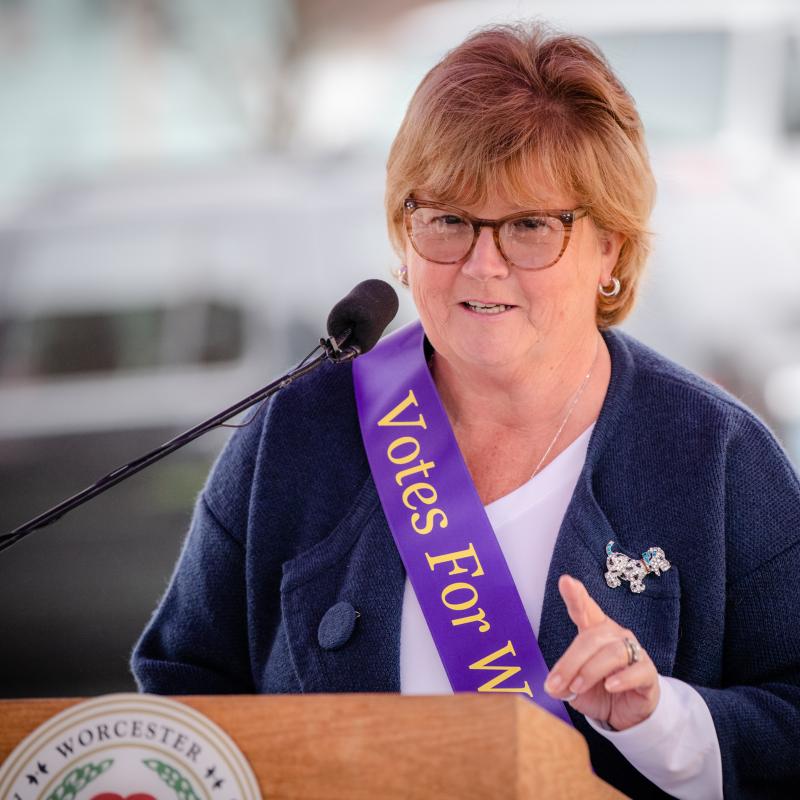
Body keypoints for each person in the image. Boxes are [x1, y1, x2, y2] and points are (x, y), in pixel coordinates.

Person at [132, 22, 800, 798]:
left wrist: (663, 721)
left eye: (528, 226)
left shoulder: (714, 455)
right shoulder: (298, 436)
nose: (483, 265)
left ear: (611, 247)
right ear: (403, 230)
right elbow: (180, 700)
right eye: (447, 219)